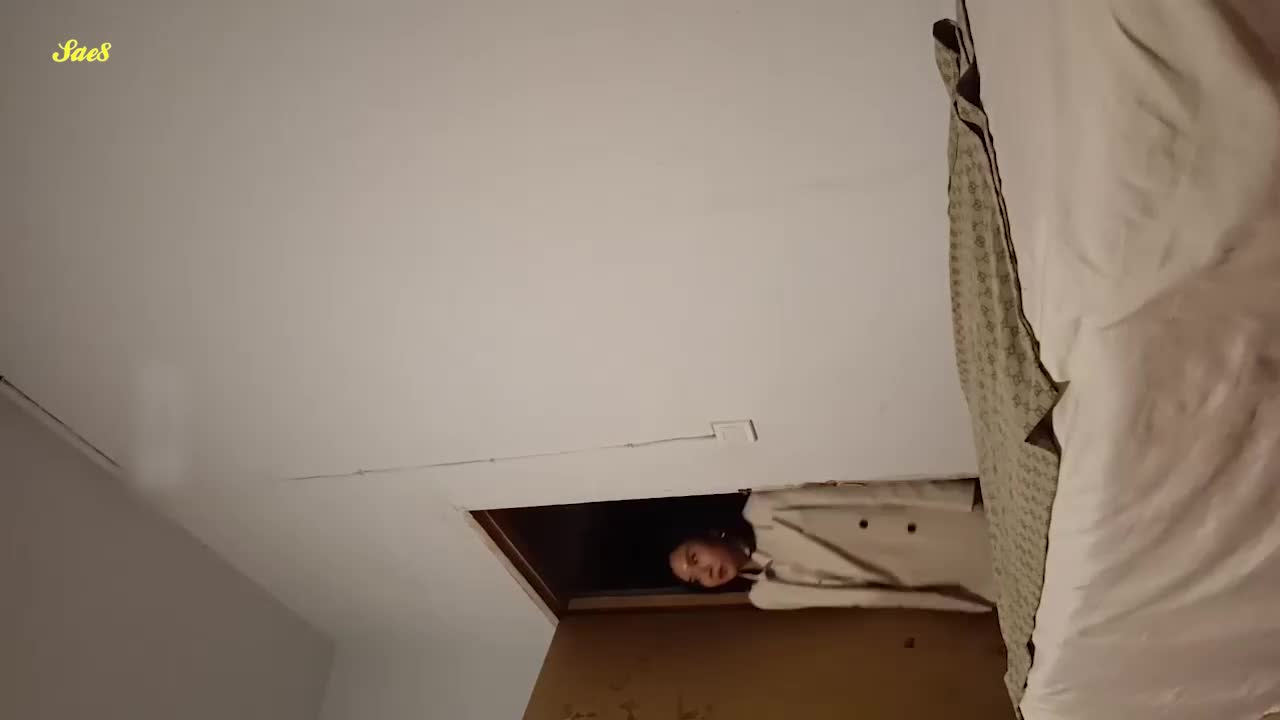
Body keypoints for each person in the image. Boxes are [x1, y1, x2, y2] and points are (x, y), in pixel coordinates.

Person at [668, 478, 996, 612]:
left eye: (694, 558)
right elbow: (861, 598)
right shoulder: (766, 595)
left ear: (711, 534)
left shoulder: (764, 507)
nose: (706, 572)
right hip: (925, 577)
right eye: (696, 579)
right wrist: (961, 603)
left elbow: (868, 494)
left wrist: (956, 495)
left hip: (937, 527)